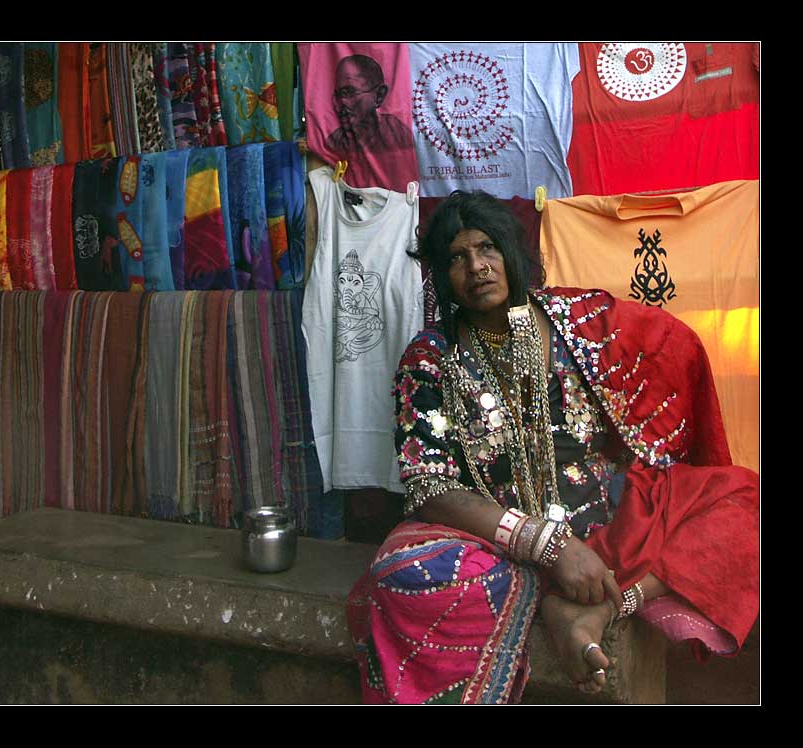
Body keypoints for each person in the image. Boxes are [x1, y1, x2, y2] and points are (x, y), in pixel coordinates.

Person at [346, 190, 759, 704]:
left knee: (747, 501)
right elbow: (429, 486)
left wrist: (641, 438)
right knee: (402, 573)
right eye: (457, 257)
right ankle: (555, 595)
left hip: (612, 523)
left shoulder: (576, 318)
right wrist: (548, 545)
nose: (477, 267)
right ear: (439, 274)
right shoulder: (430, 357)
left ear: (512, 253)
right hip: (502, 546)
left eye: (488, 248)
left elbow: (671, 346)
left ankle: (602, 606)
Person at [325, 55, 414, 156]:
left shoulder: (398, 134)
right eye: (338, 95)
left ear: (379, 95)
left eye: (349, 92)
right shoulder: (334, 142)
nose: (340, 104)